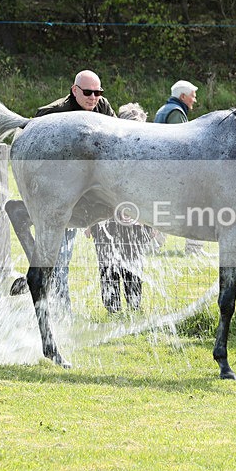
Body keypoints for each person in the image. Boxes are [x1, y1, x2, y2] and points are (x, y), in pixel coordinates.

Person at [35, 70, 116, 307]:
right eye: (88, 92)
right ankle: (61, 312)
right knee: (60, 259)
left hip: (93, 195)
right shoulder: (52, 115)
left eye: (98, 92)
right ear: (74, 90)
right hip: (61, 198)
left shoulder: (102, 107)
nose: (94, 97)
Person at [88, 103, 154, 312]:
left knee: (134, 264)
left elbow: (151, 190)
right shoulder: (105, 152)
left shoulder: (147, 157)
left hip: (136, 220)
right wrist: (90, 220)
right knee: (107, 264)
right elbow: (93, 186)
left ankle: (134, 306)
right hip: (106, 219)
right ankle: (112, 308)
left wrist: (152, 220)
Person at [154, 80, 205, 255]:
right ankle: (194, 248)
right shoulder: (176, 113)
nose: (194, 100)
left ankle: (153, 245)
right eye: (193, 96)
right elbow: (182, 146)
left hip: (162, 171)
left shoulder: (164, 109)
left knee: (164, 209)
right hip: (173, 173)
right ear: (183, 96)